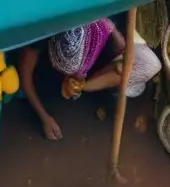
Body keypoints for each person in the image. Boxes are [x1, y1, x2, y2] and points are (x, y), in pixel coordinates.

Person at [19, 19, 162, 141]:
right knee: (49, 90)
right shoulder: (42, 33)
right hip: (58, 66)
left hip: (105, 45)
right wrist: (44, 117)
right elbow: (25, 75)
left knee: (149, 65)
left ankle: (96, 85)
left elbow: (120, 51)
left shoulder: (105, 30)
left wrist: (84, 85)